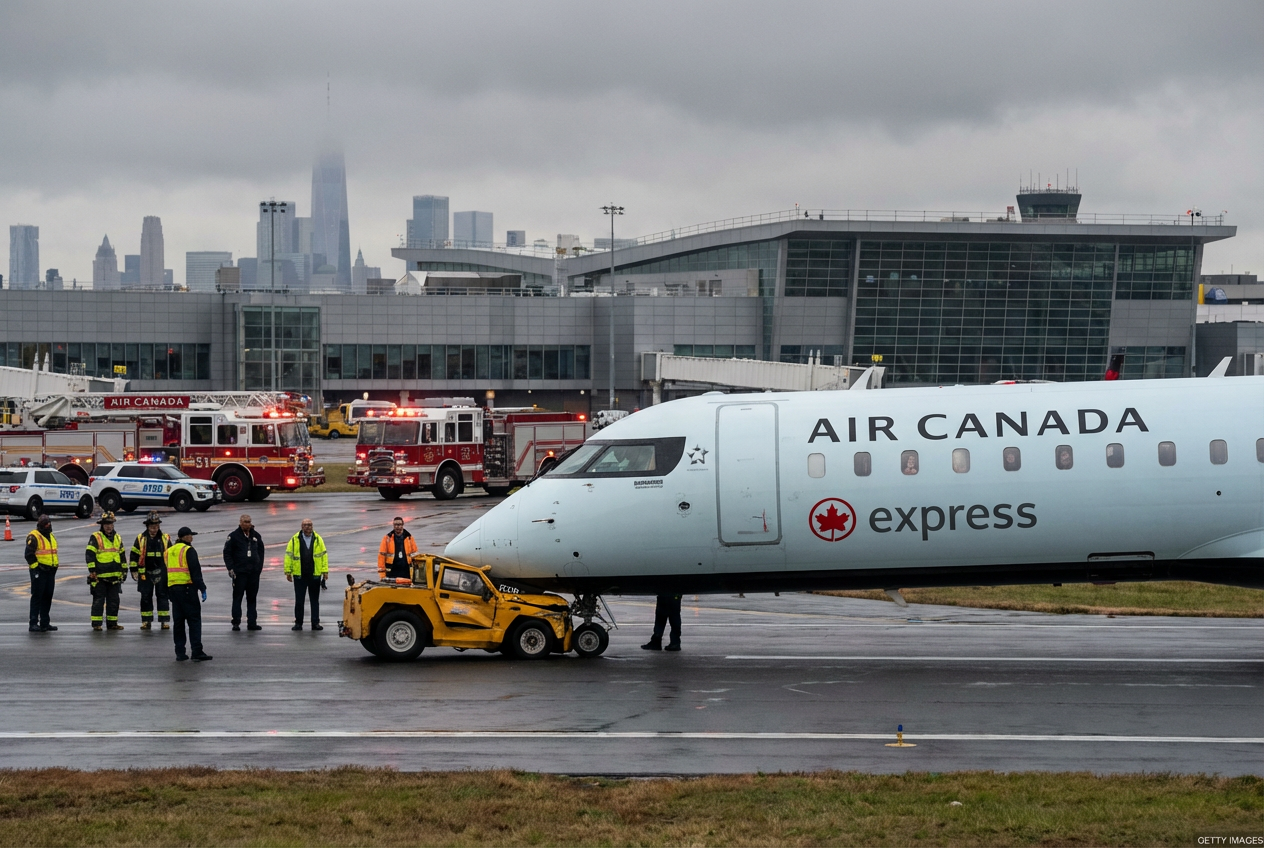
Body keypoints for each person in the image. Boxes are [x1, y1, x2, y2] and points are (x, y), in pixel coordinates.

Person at [166, 526, 211, 662]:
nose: (192, 538)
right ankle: (197, 651)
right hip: (187, 590)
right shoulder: (188, 550)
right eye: (190, 535)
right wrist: (202, 588)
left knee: (178, 623)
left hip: (173, 591)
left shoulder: (168, 551)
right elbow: (195, 571)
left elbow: (164, 572)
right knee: (194, 621)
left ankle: (180, 652)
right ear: (185, 537)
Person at [85, 511, 127, 631]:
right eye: (106, 524)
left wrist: (124, 570)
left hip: (115, 576)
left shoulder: (118, 537)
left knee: (114, 601)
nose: (109, 526)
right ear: (102, 525)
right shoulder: (96, 537)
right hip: (100, 576)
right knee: (99, 601)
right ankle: (97, 624)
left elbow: (122, 555)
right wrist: (92, 571)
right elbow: (89, 555)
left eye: (110, 523)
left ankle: (112, 623)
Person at [284, 519, 328, 631]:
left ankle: (315, 623)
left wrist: (325, 571)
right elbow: (288, 556)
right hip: (300, 575)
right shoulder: (294, 539)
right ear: (301, 527)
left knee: (314, 601)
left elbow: (324, 556)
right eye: (305, 525)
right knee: (299, 601)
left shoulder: (318, 539)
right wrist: (288, 571)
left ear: (312, 526)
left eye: (309, 525)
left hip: (314, 575)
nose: (308, 527)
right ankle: (298, 623)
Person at [130, 512, 171, 630]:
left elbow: (170, 555)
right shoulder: (140, 539)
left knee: (163, 596)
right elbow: (134, 555)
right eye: (152, 527)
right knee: (145, 597)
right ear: (147, 526)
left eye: (156, 526)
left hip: (162, 572)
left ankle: (164, 621)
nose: (154, 529)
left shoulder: (165, 538)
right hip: (145, 573)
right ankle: (146, 621)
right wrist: (134, 570)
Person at [223, 514, 264, 631]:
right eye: (245, 522)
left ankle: (252, 622)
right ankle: (236, 622)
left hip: (253, 573)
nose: (247, 524)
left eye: (249, 522)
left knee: (252, 598)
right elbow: (227, 553)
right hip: (239, 573)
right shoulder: (233, 536)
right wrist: (231, 568)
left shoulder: (256, 536)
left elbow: (261, 552)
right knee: (237, 597)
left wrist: (259, 567)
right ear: (240, 523)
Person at [25, 514, 59, 632]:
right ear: (40, 525)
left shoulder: (51, 536)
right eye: (45, 524)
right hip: (40, 571)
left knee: (48, 596)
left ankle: (45, 622)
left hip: (50, 571)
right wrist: (36, 570)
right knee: (37, 597)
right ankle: (33, 622)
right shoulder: (34, 537)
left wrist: (54, 567)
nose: (47, 526)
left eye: (48, 523)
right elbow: (29, 555)